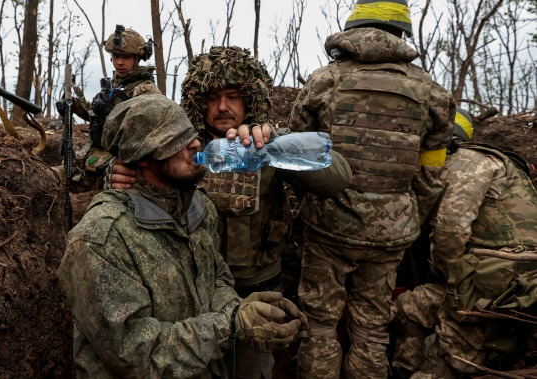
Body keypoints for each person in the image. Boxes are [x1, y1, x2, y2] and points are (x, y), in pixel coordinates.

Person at [110, 45, 352, 379]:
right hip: (192, 291)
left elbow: (338, 176)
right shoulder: (178, 150)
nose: (223, 107)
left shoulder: (265, 143)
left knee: (251, 370)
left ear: (250, 98)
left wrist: (275, 145)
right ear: (198, 100)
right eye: (212, 98)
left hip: (256, 286)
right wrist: (118, 172)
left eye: (234, 96)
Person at [57, 94, 307, 378]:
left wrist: (245, 310)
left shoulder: (197, 206)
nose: (196, 143)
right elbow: (135, 354)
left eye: (190, 134)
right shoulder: (101, 240)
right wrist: (231, 325)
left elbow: (216, 280)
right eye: (175, 140)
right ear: (143, 157)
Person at [286, 1, 456, 377]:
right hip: (391, 235)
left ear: (352, 28)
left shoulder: (324, 80)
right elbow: (430, 177)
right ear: (401, 33)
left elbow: (297, 157)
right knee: (371, 329)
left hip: (328, 228)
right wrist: (408, 220)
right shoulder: (432, 92)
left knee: (319, 326)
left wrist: (313, 206)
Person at [392, 107, 537, 378]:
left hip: (497, 281)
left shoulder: (467, 163)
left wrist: (440, 273)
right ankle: (402, 367)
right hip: (495, 275)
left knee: (449, 358)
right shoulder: (483, 162)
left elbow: (451, 231)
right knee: (408, 308)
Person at [57, 25, 161, 176]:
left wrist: (113, 114)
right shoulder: (113, 85)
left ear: (137, 58)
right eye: (116, 56)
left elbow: (150, 134)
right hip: (95, 153)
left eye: (126, 57)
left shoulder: (146, 90)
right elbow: (95, 116)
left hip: (122, 164)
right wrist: (74, 106)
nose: (119, 62)